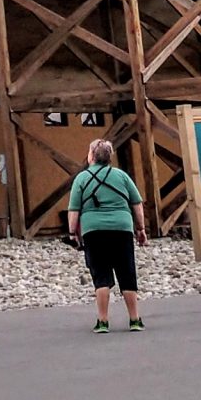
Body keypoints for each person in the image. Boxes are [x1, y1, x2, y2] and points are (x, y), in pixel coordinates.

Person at [66, 139, 146, 334]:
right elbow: (136, 203)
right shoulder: (122, 176)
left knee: (101, 275)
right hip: (121, 228)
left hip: (93, 230)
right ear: (110, 156)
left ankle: (103, 321)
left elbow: (74, 209)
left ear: (91, 156)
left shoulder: (82, 179)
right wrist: (141, 229)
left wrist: (72, 233)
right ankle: (134, 319)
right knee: (127, 273)